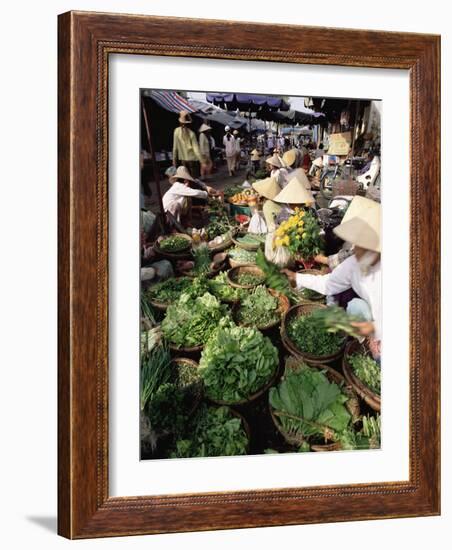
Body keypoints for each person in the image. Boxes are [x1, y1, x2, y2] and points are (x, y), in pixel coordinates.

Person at [283, 197, 382, 358]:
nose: (356, 248)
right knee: (356, 305)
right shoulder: (353, 263)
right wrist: (296, 277)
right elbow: (328, 284)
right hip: (374, 321)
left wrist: (369, 328)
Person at [172, 110, 202, 178]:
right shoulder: (192, 133)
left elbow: (175, 147)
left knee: (187, 179)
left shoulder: (176, 131)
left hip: (183, 160)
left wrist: (174, 160)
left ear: (180, 122)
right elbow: (196, 149)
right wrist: (201, 160)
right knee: (194, 179)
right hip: (192, 160)